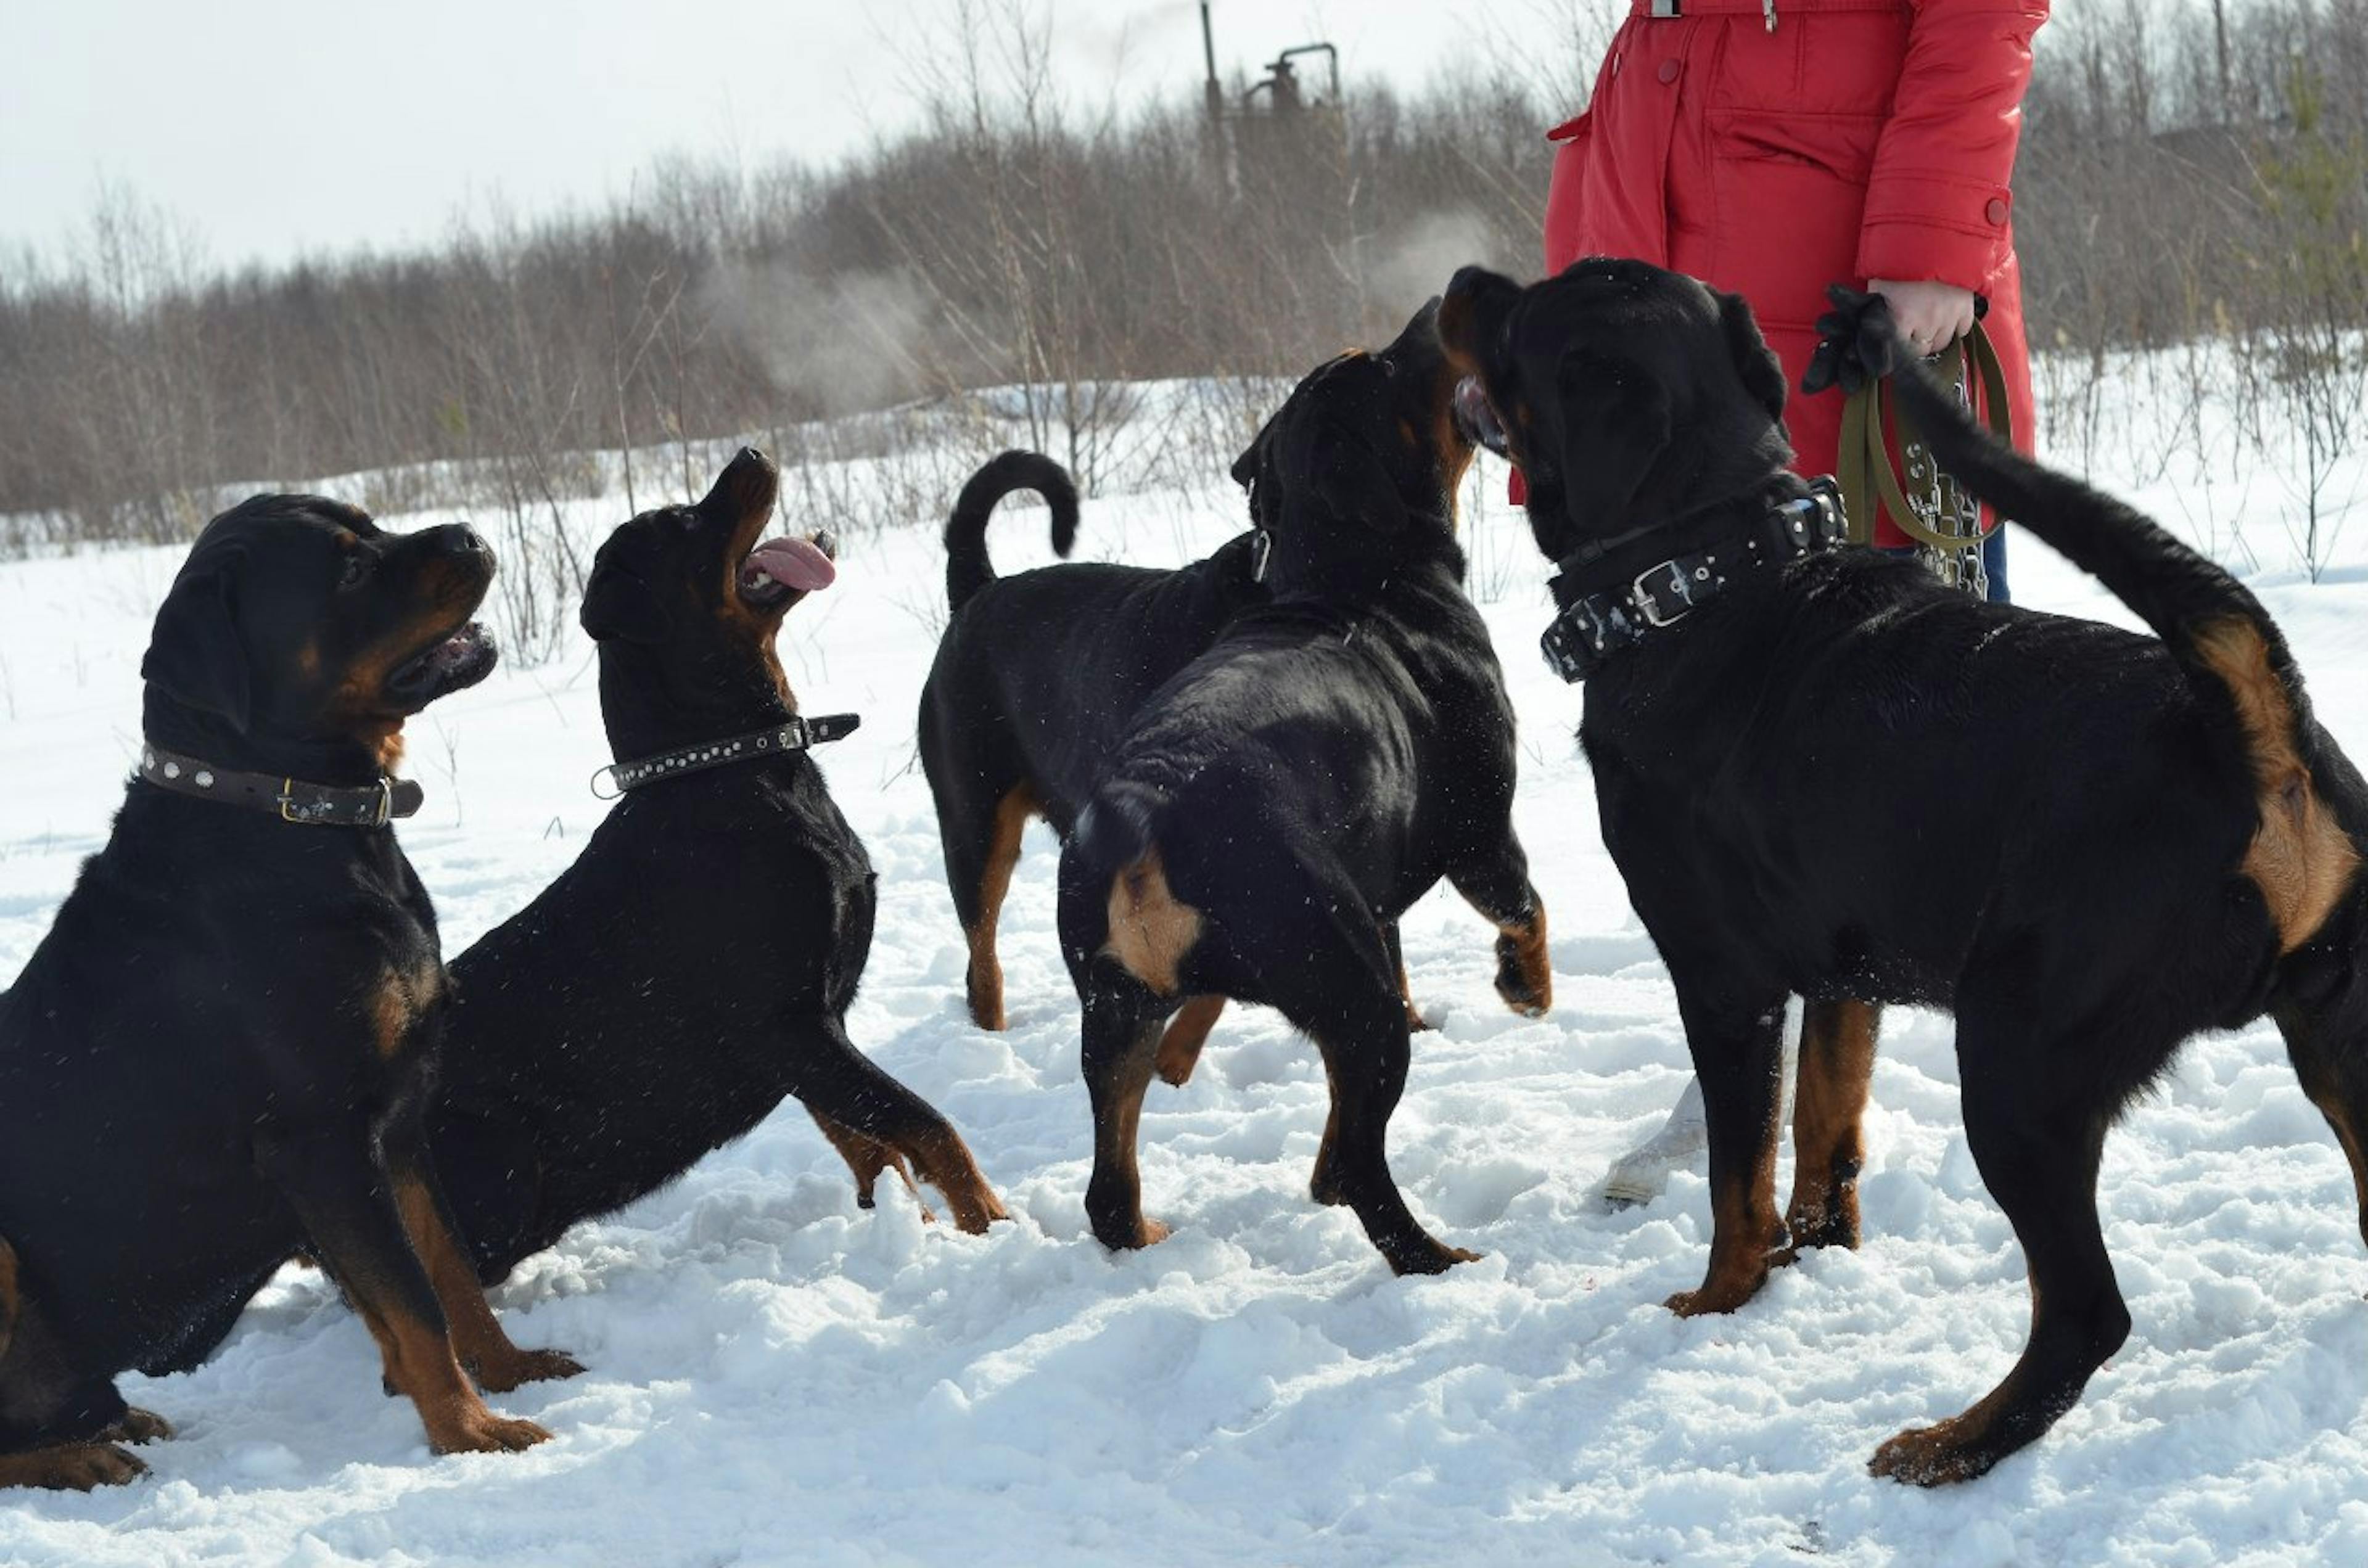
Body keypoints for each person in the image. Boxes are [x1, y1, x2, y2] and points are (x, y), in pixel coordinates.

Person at [1527, 0, 2052, 1202]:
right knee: (1724, 759)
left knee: (1918, 746)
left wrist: (1932, 237)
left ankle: (1956, 1063)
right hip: (1677, 259)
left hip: (1841, 295)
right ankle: (1756, 1076)